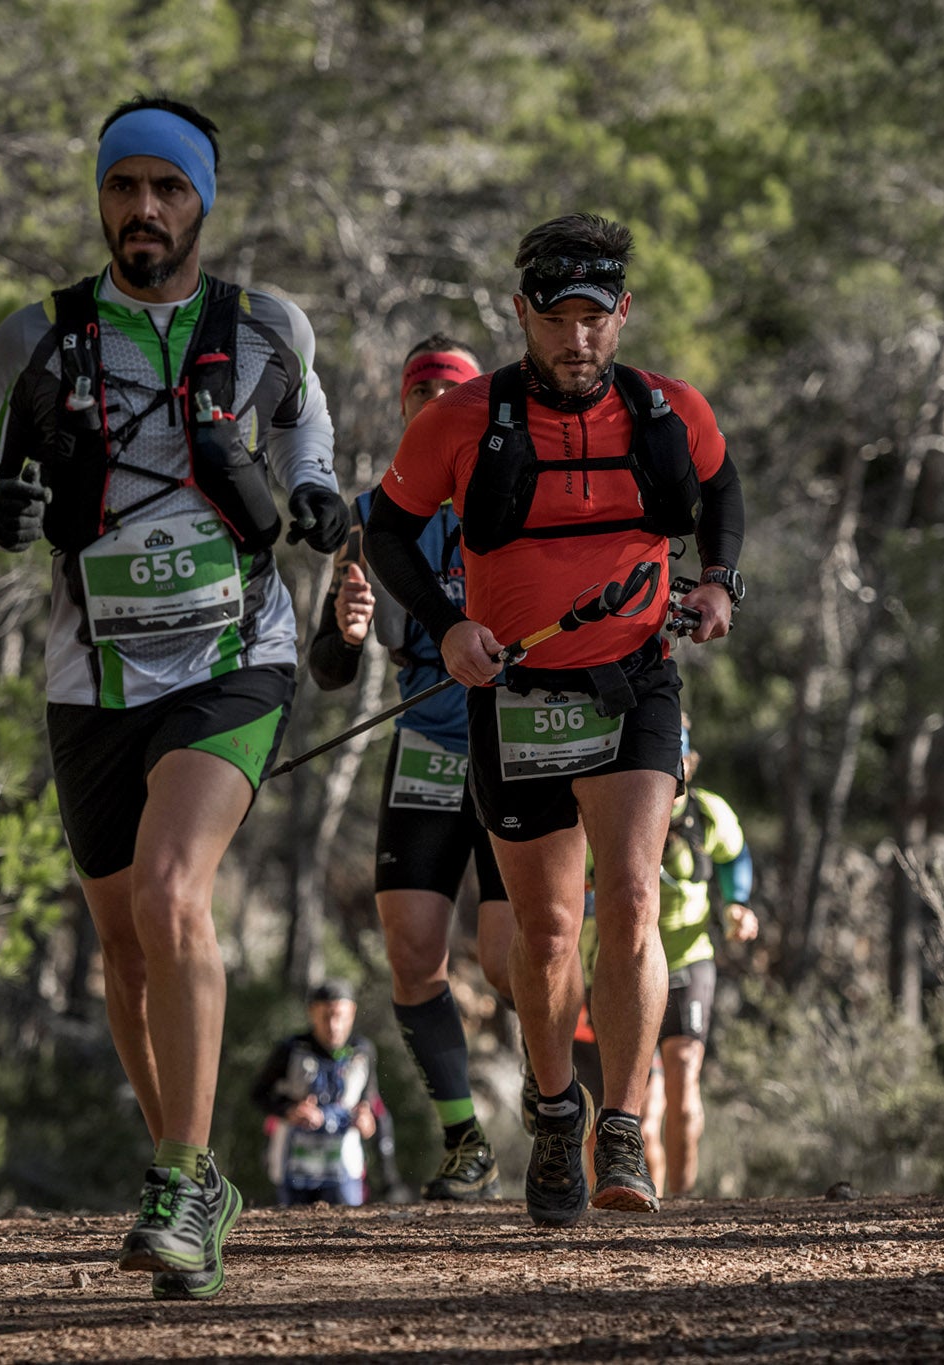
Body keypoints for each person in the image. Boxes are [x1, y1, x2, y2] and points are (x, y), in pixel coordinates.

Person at [0, 95, 348, 1301]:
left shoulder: (269, 327)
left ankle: (179, 1182)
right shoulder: (32, 338)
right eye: (124, 189)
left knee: (175, 893)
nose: (143, 211)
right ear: (102, 200)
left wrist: (320, 502)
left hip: (236, 654)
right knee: (123, 946)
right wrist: (5, 517)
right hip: (91, 673)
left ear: (200, 205)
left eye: (167, 191)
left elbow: (311, 448)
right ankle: (192, 1175)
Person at [363, 213, 747, 1227]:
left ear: (621, 314)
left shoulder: (668, 412)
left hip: (634, 682)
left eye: (593, 318)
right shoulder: (460, 420)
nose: (574, 340)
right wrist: (445, 627)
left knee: (627, 894)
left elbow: (719, 490)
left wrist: (719, 584)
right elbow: (386, 532)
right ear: (520, 312)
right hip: (513, 698)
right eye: (554, 318)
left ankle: (618, 1126)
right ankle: (550, 1108)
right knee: (543, 931)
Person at [307, 336, 512, 1202]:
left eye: (451, 396)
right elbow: (329, 668)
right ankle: (465, 1138)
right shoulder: (370, 516)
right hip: (425, 743)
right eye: (419, 397)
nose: (434, 409)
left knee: (512, 959)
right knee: (413, 951)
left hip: (515, 747)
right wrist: (346, 632)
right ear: (404, 411)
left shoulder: (511, 496)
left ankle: (556, 1111)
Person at [632, 722, 760, 1194]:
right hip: (632, 964)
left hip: (690, 958)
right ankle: (649, 1208)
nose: (672, 774)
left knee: (685, 1093)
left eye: (678, 765)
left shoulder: (709, 814)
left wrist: (737, 903)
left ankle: (684, 1207)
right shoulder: (621, 808)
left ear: (689, 763)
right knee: (644, 1116)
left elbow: (734, 856)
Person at [251, 980, 390, 1206]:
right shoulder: (292, 1049)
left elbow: (370, 1101)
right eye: (326, 1016)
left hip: (344, 1169)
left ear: (352, 1012)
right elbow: (258, 1094)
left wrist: (367, 1119)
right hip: (293, 1169)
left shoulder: (363, 1051)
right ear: (312, 1013)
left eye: (340, 1016)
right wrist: (289, 1109)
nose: (333, 1025)